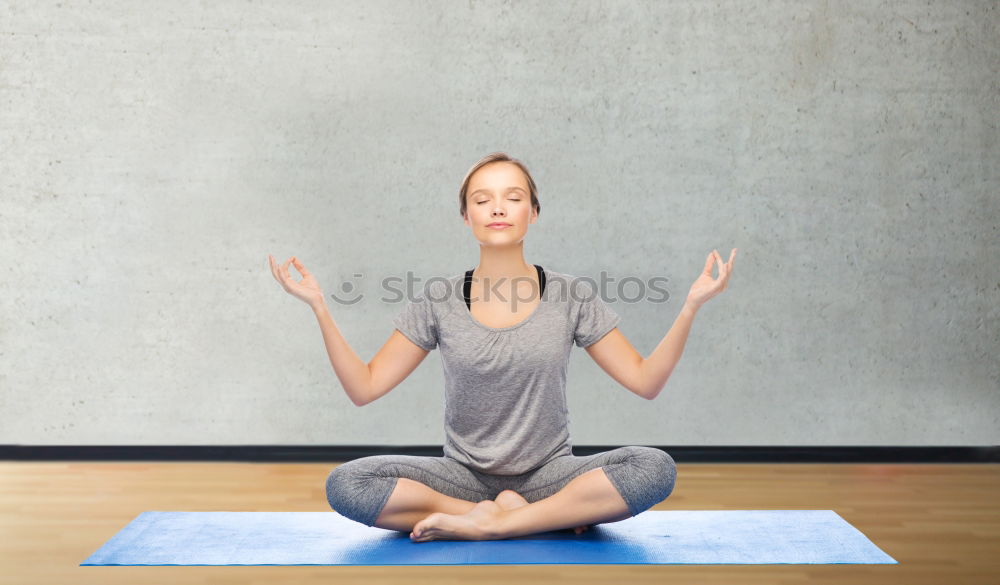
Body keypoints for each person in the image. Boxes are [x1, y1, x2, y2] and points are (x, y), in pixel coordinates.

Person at [268, 152, 737, 543]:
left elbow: (646, 381)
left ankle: (497, 524)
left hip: (551, 476)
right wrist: (319, 307)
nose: (498, 208)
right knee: (347, 484)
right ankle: (516, 515)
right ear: (466, 215)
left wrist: (691, 306)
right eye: (482, 199)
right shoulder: (438, 299)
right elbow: (364, 387)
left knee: (652, 468)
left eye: (513, 198)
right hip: (462, 480)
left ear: (532, 212)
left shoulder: (570, 295)